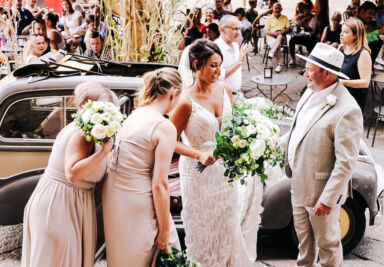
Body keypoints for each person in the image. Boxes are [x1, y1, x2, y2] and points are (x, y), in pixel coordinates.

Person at [170, 38, 251, 266]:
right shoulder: (184, 101)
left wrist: (246, 142)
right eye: (213, 65)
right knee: (203, 232)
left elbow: (234, 127)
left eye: (220, 65)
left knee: (227, 228)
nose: (219, 70)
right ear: (197, 66)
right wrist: (198, 155)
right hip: (198, 175)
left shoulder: (225, 89)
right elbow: (169, 141)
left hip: (225, 175)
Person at [21, 82, 117, 267]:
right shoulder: (82, 132)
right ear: (89, 105)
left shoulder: (81, 127)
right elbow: (72, 173)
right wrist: (103, 153)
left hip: (63, 201)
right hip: (61, 205)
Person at [285, 42, 363, 267]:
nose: (305, 73)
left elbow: (346, 162)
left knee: (328, 246)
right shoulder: (310, 91)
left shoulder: (348, 109)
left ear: (326, 73)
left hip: (321, 193)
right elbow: (298, 130)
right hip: (298, 184)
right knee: (304, 246)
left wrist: (328, 199)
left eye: (309, 69)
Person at [102, 67, 182, 267]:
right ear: (173, 95)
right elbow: (160, 184)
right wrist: (164, 230)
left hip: (114, 195)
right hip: (138, 198)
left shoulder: (135, 115)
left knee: (123, 255)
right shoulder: (164, 127)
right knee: (157, 252)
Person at [339, 18, 372, 112]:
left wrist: (343, 82)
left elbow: (365, 82)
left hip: (354, 99)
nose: (341, 34)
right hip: (340, 95)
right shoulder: (341, 49)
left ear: (356, 35)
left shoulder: (363, 54)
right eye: (341, 31)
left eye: (345, 32)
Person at [215, 15, 248, 93]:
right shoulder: (216, 48)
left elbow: (236, 72)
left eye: (239, 29)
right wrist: (239, 62)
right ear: (222, 30)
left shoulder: (235, 45)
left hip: (237, 94)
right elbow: (219, 76)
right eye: (235, 29)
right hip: (224, 97)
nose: (238, 33)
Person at [357, 1, 384, 68]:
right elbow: (363, 38)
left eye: (373, 14)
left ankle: (370, 65)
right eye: (369, 13)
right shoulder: (355, 22)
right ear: (362, 12)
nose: (371, 16)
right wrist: (381, 30)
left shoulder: (364, 22)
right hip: (356, 51)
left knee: (378, 41)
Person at [264, 2, 290, 73]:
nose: (277, 9)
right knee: (278, 45)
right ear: (272, 9)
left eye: (279, 8)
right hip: (271, 37)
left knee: (280, 36)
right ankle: (278, 65)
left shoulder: (285, 17)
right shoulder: (269, 18)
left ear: (281, 9)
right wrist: (275, 34)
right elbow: (266, 31)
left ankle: (272, 51)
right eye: (276, 8)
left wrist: (281, 32)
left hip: (281, 37)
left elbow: (288, 28)